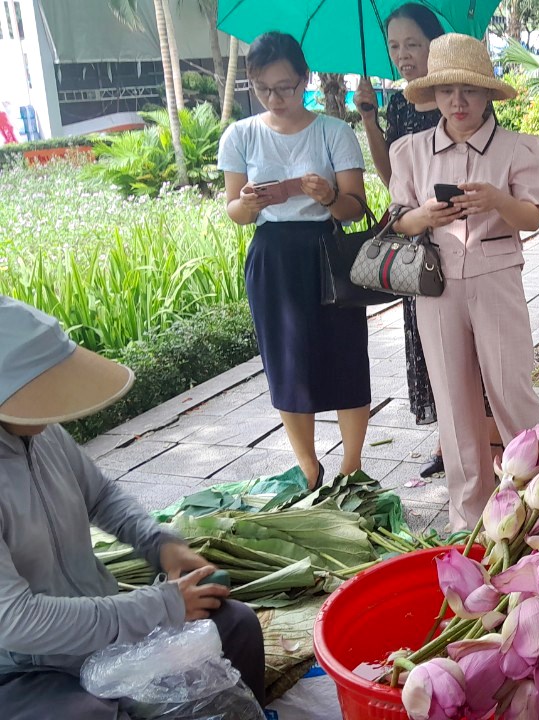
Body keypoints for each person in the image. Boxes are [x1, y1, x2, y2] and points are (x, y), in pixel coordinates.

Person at [0, 296, 266, 718]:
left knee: (236, 627)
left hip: (102, 625)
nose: (51, 407)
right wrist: (159, 606)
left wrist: (159, 543)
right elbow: (17, 621)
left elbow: (101, 496)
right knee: (92, 714)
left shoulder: (43, 433)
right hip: (23, 668)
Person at [387, 34, 539, 531]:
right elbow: (397, 222)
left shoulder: (520, 147)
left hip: (496, 276)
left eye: (470, 91)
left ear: (488, 96)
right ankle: (468, 515)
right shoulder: (409, 151)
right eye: (447, 91)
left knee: (511, 389)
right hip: (436, 285)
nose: (458, 102)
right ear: (431, 95)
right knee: (453, 400)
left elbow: (532, 218)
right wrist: (425, 215)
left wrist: (496, 200)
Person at [218, 32, 371, 490]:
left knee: (346, 355)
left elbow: (356, 208)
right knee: (287, 361)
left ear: (304, 78)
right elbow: (234, 211)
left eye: (285, 86)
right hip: (273, 257)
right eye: (264, 88)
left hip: (328, 251)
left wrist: (328, 197)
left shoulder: (333, 131)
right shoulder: (240, 135)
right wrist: (249, 204)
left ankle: (351, 464)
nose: (275, 97)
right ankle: (307, 466)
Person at [355, 3, 468, 480]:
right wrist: (369, 120)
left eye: (413, 44)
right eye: (394, 45)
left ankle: (482, 436)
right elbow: (390, 180)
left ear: (433, 44)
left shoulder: (463, 96)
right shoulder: (399, 103)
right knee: (429, 345)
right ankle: (449, 441)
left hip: (463, 239)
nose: (402, 54)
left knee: (470, 343)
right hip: (416, 247)